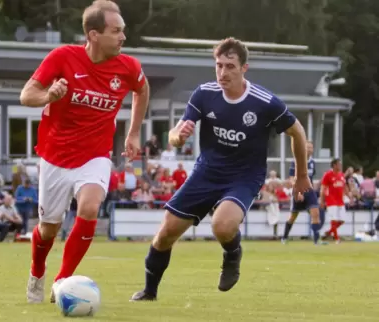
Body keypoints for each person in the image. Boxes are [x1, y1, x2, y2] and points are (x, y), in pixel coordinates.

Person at [130, 37, 311, 302]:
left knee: (222, 225)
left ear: (244, 68)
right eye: (219, 65)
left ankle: (232, 253)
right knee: (165, 233)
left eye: (230, 66)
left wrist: (302, 175)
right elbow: (173, 134)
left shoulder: (264, 102)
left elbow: (298, 132)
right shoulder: (204, 94)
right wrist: (177, 137)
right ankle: (149, 291)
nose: (223, 72)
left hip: (244, 176)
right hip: (207, 172)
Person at [20, 0, 149, 304]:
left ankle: (61, 281)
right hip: (55, 157)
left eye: (123, 31)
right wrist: (48, 95)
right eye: (116, 31)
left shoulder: (128, 66)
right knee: (48, 229)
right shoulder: (63, 57)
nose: (123, 37)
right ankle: (37, 272)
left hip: (95, 155)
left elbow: (142, 90)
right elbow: (27, 95)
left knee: (90, 207)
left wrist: (132, 133)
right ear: (93, 34)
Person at [281, 141, 323, 244]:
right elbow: (291, 178)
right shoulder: (296, 161)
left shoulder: (312, 162)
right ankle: (284, 238)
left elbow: (311, 178)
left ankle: (317, 240)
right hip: (299, 191)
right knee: (293, 216)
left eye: (311, 148)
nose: (309, 150)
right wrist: (298, 192)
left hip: (310, 191)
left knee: (316, 213)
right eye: (307, 147)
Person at [320, 158, 349, 244]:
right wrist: (322, 201)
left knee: (343, 220)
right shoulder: (327, 175)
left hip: (340, 201)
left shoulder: (341, 175)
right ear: (334, 165)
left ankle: (328, 232)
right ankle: (337, 239)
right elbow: (323, 188)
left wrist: (348, 195)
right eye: (339, 164)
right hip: (331, 200)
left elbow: (344, 186)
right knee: (334, 219)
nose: (340, 166)